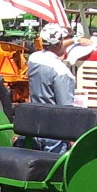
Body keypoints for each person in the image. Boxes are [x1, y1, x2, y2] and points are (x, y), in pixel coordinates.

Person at [25, 23, 78, 152]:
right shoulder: (62, 71)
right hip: (53, 129)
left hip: (35, 121)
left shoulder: (34, 59)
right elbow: (65, 107)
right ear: (60, 43)